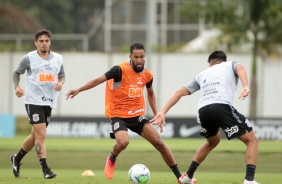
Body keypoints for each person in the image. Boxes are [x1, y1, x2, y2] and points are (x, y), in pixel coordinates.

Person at [66, 43, 182, 183]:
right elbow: (97, 81)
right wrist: (79, 89)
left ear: (144, 56)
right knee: (123, 142)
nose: (139, 60)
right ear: (130, 57)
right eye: (136, 57)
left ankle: (180, 177)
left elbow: (150, 95)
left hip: (137, 114)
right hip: (118, 114)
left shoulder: (147, 75)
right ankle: (112, 158)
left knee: (159, 142)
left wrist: (157, 114)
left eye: (141, 57)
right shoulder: (119, 70)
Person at [151, 51, 260, 184]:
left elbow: (179, 92)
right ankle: (249, 180)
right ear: (224, 61)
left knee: (212, 141)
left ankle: (187, 176)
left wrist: (162, 112)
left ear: (211, 63)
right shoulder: (230, 65)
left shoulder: (202, 74)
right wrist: (245, 86)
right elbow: (241, 68)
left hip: (203, 111)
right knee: (252, 140)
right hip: (221, 106)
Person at [11, 29, 65, 179]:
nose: (44, 43)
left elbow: (62, 75)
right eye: (41, 41)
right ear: (36, 43)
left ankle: (17, 158)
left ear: (50, 42)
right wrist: (16, 87)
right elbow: (17, 73)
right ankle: (45, 169)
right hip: (32, 101)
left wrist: (60, 83)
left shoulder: (58, 59)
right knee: (41, 134)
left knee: (35, 136)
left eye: (46, 41)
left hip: (49, 102)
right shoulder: (29, 58)